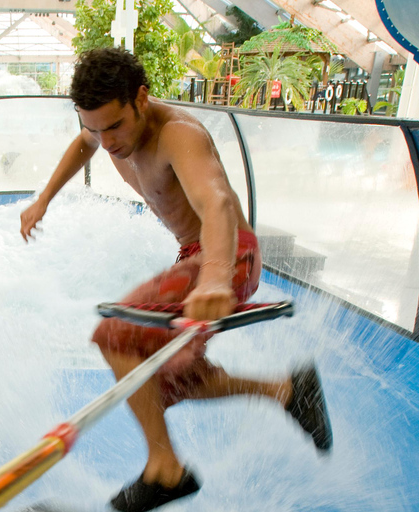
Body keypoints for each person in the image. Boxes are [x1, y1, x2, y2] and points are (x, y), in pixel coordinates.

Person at [19, 48, 333, 512]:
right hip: (194, 256)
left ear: (141, 98)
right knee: (163, 382)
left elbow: (217, 205)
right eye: (95, 127)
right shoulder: (105, 128)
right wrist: (44, 197)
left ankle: (165, 472)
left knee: (116, 335)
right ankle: (287, 391)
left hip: (229, 255)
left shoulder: (178, 137)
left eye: (115, 127)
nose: (106, 142)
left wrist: (214, 279)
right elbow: (84, 142)